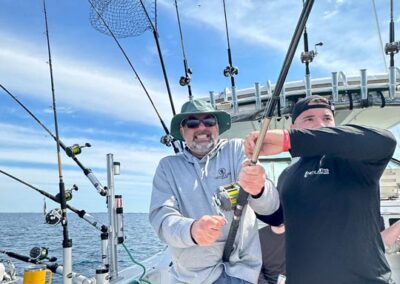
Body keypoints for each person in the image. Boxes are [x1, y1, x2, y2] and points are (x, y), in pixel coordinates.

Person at [245, 95, 397, 284]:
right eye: (309, 119)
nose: (321, 125)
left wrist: (288, 140)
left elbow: (385, 141)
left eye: (327, 118)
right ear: (294, 127)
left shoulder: (357, 162)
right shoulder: (287, 174)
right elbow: (277, 219)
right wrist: (258, 190)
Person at [149, 99, 280, 284]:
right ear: (182, 131)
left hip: (242, 273)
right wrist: (192, 230)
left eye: (209, 121)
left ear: (217, 127)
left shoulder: (237, 150)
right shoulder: (167, 167)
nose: (202, 127)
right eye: (193, 123)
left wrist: (259, 188)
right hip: (191, 278)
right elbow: (161, 219)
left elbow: (269, 208)